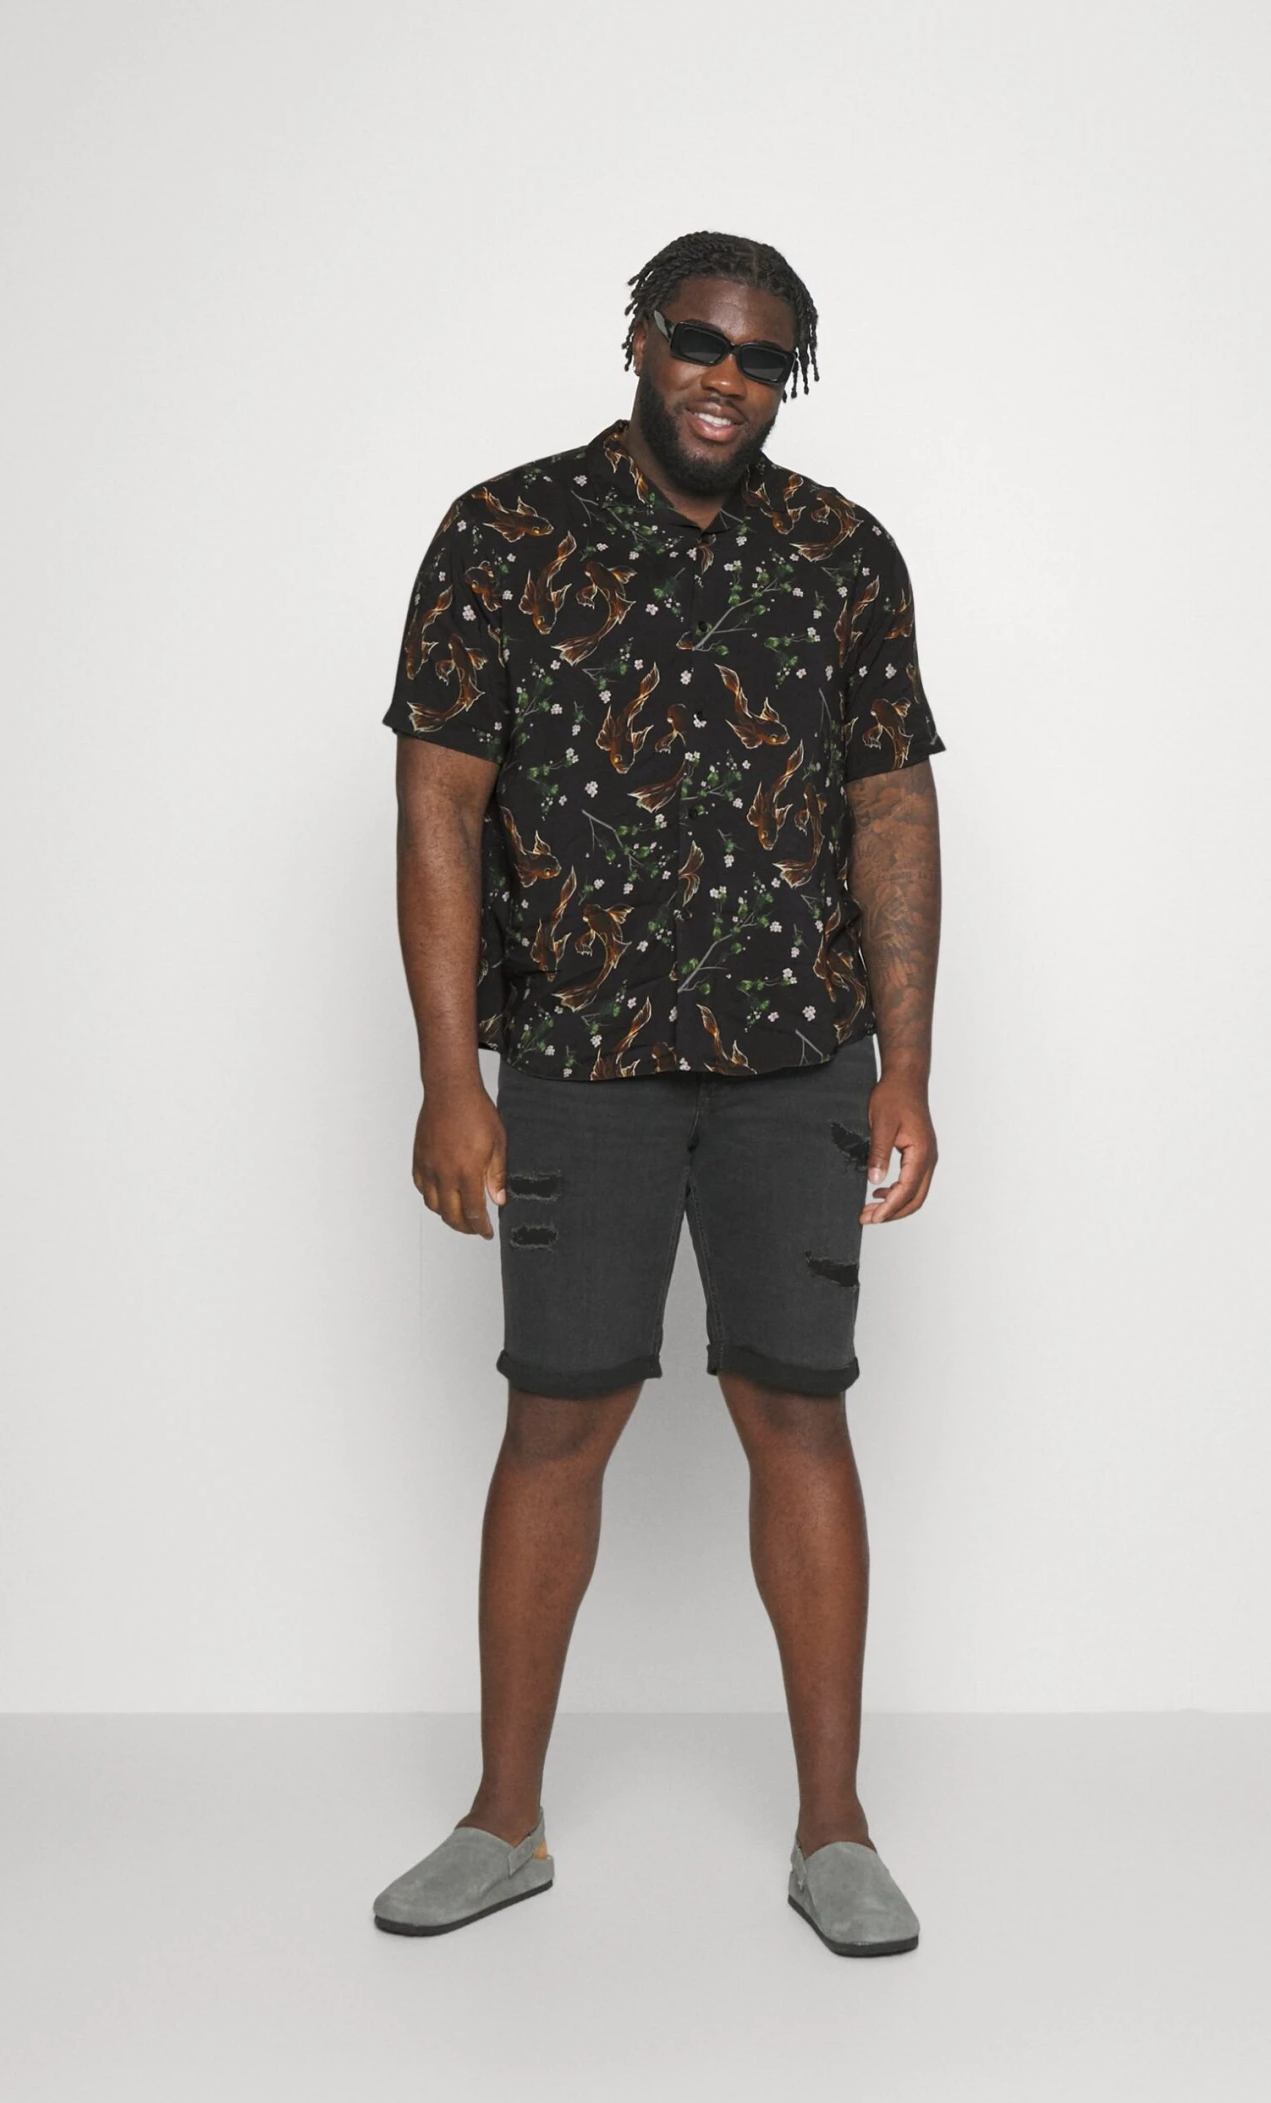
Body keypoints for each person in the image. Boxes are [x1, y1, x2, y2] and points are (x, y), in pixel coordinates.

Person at [371, 231, 944, 1958]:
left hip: (798, 1063)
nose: (727, 380)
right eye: (700, 341)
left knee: (800, 1413)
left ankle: (835, 1830)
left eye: (766, 360)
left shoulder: (844, 555)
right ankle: (505, 1820)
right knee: (558, 1419)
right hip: (581, 1065)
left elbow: (892, 811)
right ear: (639, 337)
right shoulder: (503, 536)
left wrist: (908, 1066)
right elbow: (439, 805)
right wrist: (448, 1078)